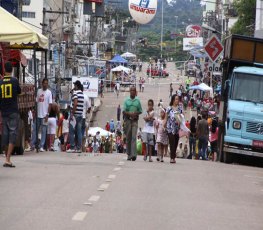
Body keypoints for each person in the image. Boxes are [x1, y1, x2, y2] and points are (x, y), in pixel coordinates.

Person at [0, 62, 21, 167]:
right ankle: (8, 159)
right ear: (12, 70)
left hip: (4, 112)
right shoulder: (15, 81)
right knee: (13, 134)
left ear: (4, 69)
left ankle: (6, 157)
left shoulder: (0, 82)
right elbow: (19, 92)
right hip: (13, 111)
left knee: (5, 135)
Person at [27, 78, 52, 152]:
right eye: (44, 83)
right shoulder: (38, 91)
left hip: (44, 115)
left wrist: (47, 114)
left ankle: (41, 146)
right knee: (35, 130)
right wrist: (34, 113)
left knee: (44, 131)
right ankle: (32, 145)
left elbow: (50, 104)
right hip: (38, 114)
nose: (45, 84)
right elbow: (36, 102)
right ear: (42, 83)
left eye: (46, 83)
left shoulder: (49, 92)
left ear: (47, 84)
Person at [123, 86, 142, 161]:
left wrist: (136, 113)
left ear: (135, 92)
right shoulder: (126, 100)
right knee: (128, 137)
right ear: (129, 91)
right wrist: (129, 114)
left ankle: (134, 154)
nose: (132, 92)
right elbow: (124, 111)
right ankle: (129, 154)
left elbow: (140, 110)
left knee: (134, 137)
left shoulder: (137, 101)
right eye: (131, 90)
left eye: (134, 91)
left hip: (135, 120)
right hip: (128, 120)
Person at [67, 80, 84, 153]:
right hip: (80, 115)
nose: (74, 87)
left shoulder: (75, 93)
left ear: (77, 86)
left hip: (75, 115)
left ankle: (72, 147)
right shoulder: (82, 94)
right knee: (79, 132)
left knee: (71, 131)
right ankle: (79, 148)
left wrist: (72, 114)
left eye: (74, 86)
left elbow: (75, 103)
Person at [164, 95, 182, 164]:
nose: (177, 100)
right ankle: (172, 158)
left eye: (178, 99)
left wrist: (180, 123)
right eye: (176, 99)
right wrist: (163, 125)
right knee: (172, 142)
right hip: (170, 128)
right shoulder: (169, 108)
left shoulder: (180, 109)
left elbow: (181, 118)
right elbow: (166, 118)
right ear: (173, 100)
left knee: (176, 143)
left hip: (177, 129)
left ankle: (173, 156)